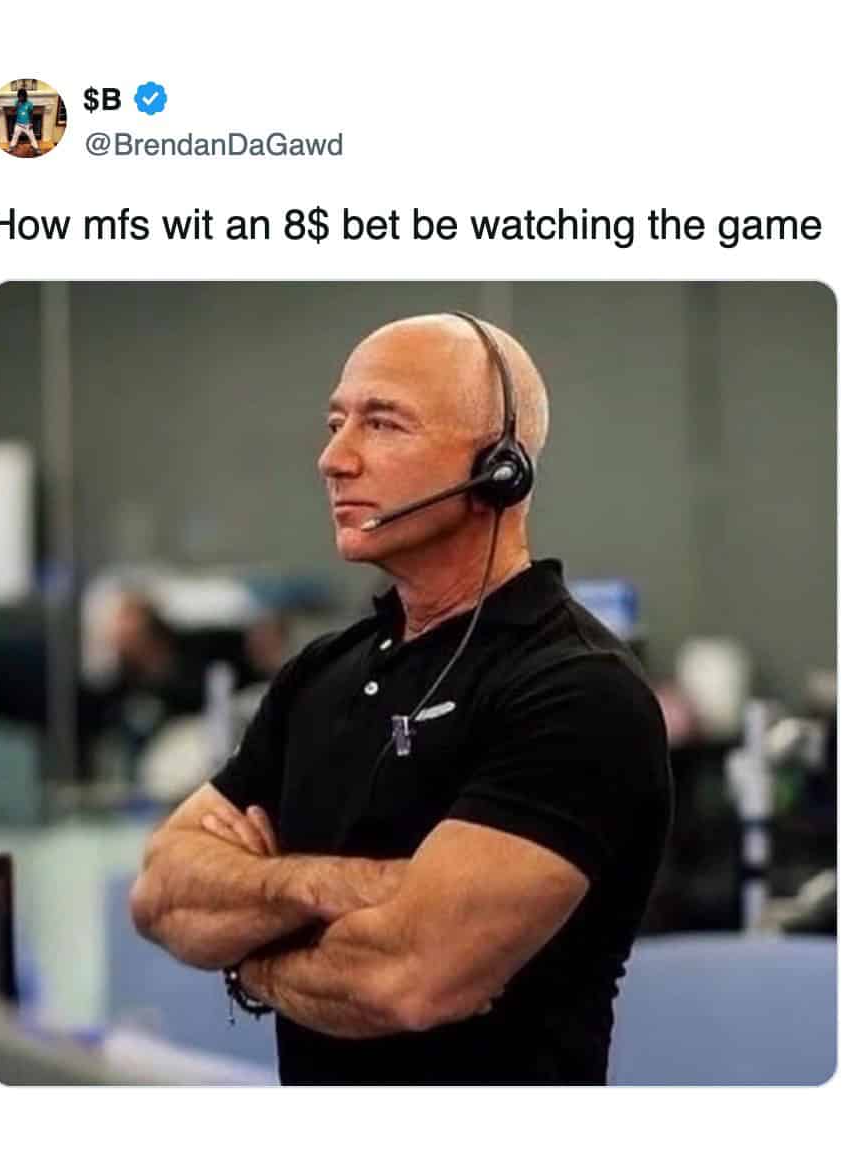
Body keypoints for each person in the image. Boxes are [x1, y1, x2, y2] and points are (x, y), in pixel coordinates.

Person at [130, 313, 672, 1084]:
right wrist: (337, 886)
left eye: (382, 423)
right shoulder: (321, 673)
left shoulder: (578, 689)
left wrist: (247, 955)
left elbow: (406, 980)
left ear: (500, 468)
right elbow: (162, 895)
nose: (333, 459)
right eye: (335, 423)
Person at [8, 88, 40, 155]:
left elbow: (31, 113)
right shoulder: (17, 102)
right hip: (18, 124)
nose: (21, 98)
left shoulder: (29, 103)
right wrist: (17, 106)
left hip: (27, 124)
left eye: (22, 97)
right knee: (15, 136)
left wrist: (31, 123)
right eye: (19, 97)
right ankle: (11, 147)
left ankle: (36, 148)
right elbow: (12, 111)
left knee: (32, 137)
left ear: (25, 96)